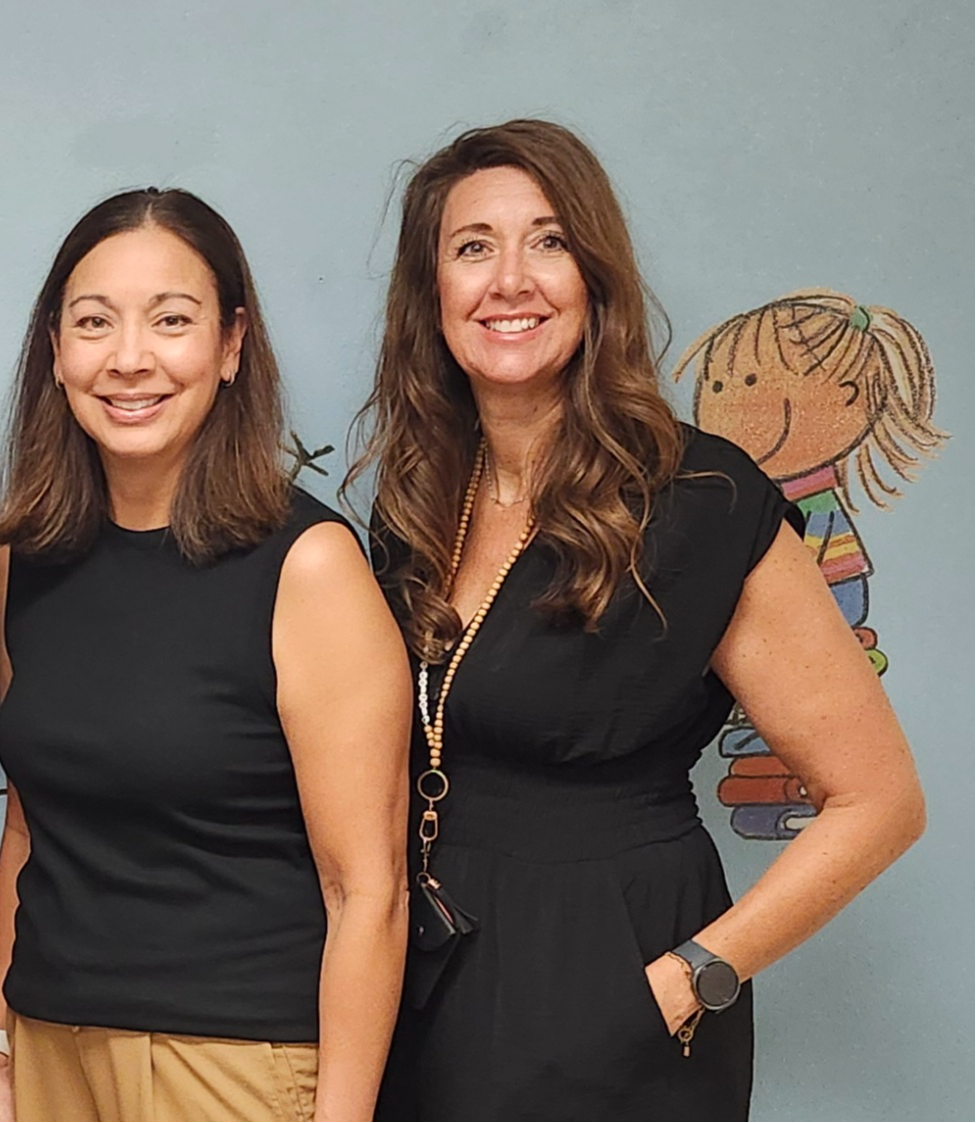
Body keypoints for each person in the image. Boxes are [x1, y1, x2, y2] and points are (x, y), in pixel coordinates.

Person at [354, 119, 926, 1119]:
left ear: (596, 274)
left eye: (550, 240)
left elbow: (880, 799)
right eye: (473, 246)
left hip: (615, 982)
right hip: (429, 976)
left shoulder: (699, 495)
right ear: (431, 291)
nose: (511, 280)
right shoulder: (416, 501)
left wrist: (689, 978)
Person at [0, 189, 409, 1123]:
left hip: (234, 1064)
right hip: (52, 1043)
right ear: (55, 349)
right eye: (94, 323)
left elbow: (365, 891)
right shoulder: (27, 556)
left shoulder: (309, 566)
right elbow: (28, 824)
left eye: (171, 320)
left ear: (229, 345)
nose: (129, 358)